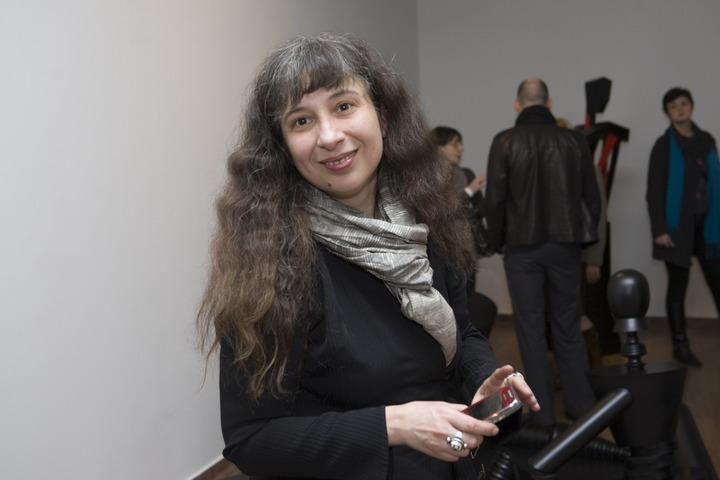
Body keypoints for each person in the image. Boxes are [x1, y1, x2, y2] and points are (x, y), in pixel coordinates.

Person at [196, 32, 539, 479]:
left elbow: (462, 332)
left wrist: (482, 379)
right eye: (301, 121)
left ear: (384, 115)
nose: (329, 136)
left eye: (344, 106)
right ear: (281, 146)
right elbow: (252, 439)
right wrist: (393, 425)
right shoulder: (270, 262)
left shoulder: (427, 218)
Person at [484, 78, 601, 427]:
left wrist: (496, 242)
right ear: (548, 103)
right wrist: (581, 242)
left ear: (517, 104)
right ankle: (582, 408)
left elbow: (495, 200)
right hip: (565, 246)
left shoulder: (504, 141)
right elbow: (592, 199)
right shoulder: (574, 140)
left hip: (521, 250)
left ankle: (542, 415)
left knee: (530, 331)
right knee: (568, 326)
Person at [646, 87, 720, 367]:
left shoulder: (707, 140)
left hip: (709, 227)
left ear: (691, 106)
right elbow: (654, 192)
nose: (680, 109)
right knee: (678, 288)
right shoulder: (663, 146)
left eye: (683, 103)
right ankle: (680, 346)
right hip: (677, 230)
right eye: (673, 106)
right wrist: (659, 230)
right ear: (667, 112)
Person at [433, 126, 497, 337]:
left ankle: (471, 344)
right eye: (455, 144)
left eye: (460, 143)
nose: (461, 148)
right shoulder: (429, 175)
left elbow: (479, 211)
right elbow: (442, 209)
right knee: (450, 305)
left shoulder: (466, 173)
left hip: (468, 250)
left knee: (470, 302)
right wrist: (470, 190)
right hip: (444, 252)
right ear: (439, 147)